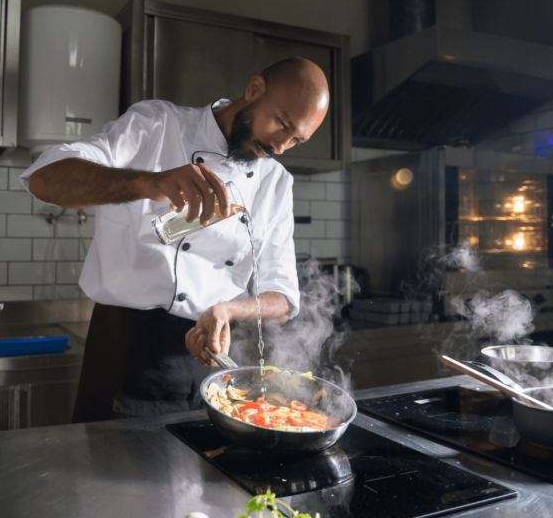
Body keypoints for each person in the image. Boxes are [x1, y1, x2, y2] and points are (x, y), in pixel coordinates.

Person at [20, 57, 330, 422]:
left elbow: (283, 296)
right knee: (106, 473)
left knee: (199, 477)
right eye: (282, 123)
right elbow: (43, 179)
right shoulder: (157, 125)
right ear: (254, 89)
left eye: (296, 139)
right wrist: (148, 183)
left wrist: (228, 310)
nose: (281, 146)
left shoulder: (275, 182)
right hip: (124, 353)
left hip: (209, 362)